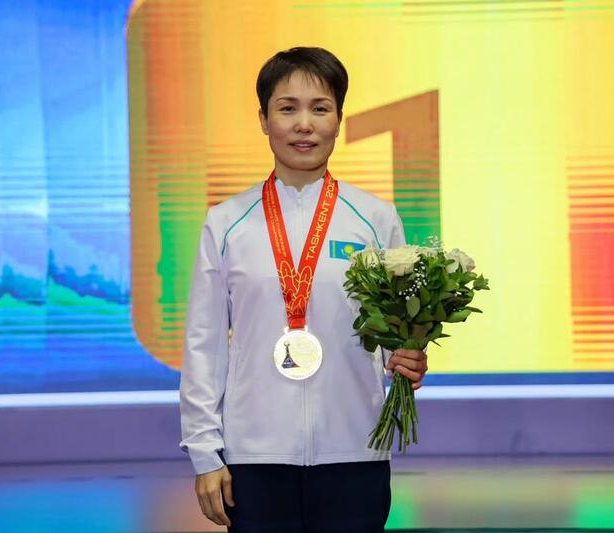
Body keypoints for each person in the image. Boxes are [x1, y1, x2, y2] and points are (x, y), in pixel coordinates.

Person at [180, 47, 428, 533]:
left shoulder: (375, 219)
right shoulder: (226, 223)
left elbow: (395, 335)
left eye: (320, 108)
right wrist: (205, 452)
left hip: (354, 451)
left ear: (339, 119)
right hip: (253, 458)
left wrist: (408, 357)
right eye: (287, 108)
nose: (304, 125)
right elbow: (203, 345)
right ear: (263, 119)